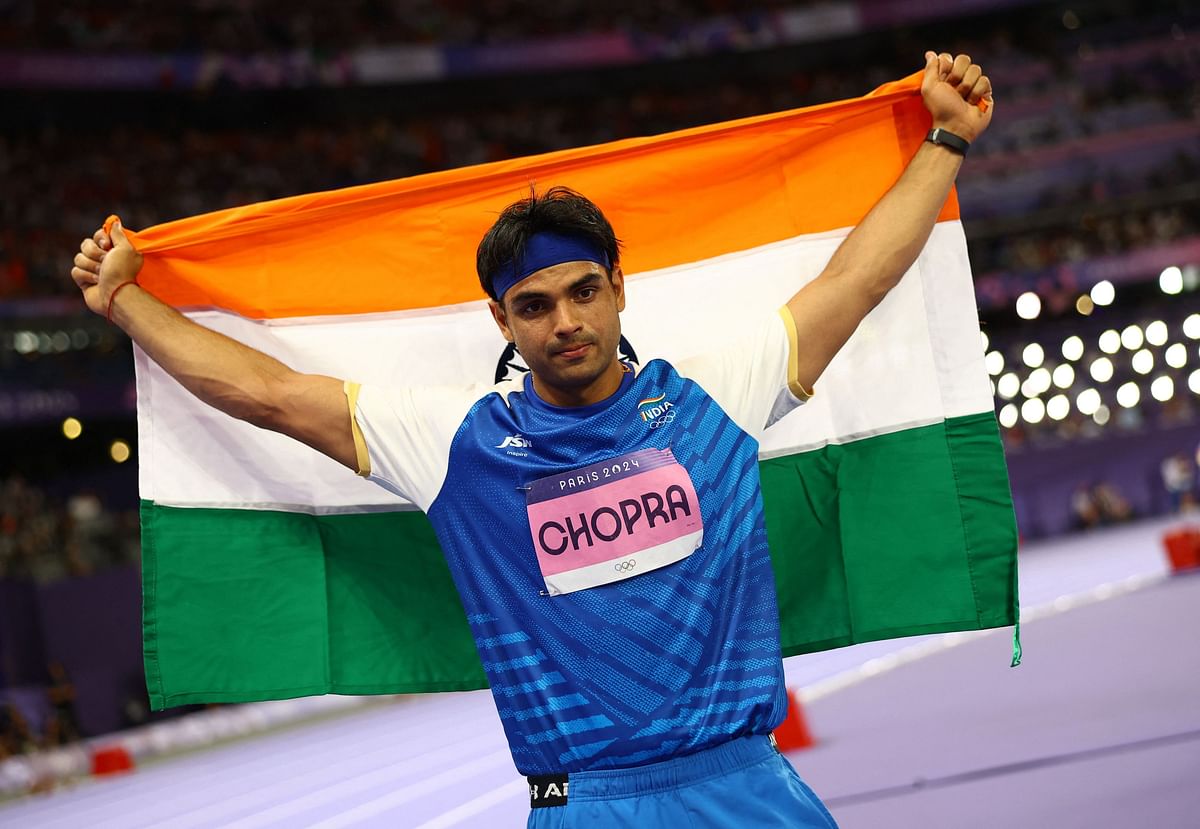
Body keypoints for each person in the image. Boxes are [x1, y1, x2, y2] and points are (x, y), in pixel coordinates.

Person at [70, 52, 992, 828]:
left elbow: (857, 280)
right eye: (535, 305)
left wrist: (945, 139)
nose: (565, 321)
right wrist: (124, 297)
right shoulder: (456, 441)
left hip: (745, 785)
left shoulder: (713, 396)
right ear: (502, 321)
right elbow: (266, 393)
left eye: (584, 290)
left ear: (619, 288)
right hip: (584, 802)